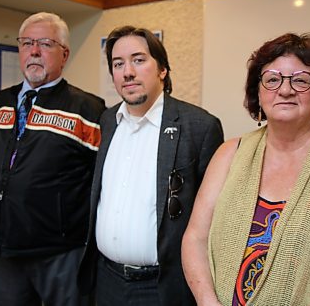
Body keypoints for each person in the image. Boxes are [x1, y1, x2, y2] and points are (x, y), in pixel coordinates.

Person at [181, 32, 310, 306]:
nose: (285, 90)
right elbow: (195, 238)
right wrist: (207, 301)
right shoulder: (229, 153)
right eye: (272, 79)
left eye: (300, 80)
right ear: (257, 94)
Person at [77, 25, 224, 305]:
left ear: (162, 70)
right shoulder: (106, 122)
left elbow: (215, 221)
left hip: (162, 287)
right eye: (118, 64)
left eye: (139, 60)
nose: (127, 71)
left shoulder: (200, 127)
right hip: (105, 279)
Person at [0, 12, 106, 306]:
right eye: (27, 43)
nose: (34, 51)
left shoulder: (88, 109)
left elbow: (100, 178)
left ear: (64, 54)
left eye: (45, 43)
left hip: (60, 252)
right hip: (2, 249)